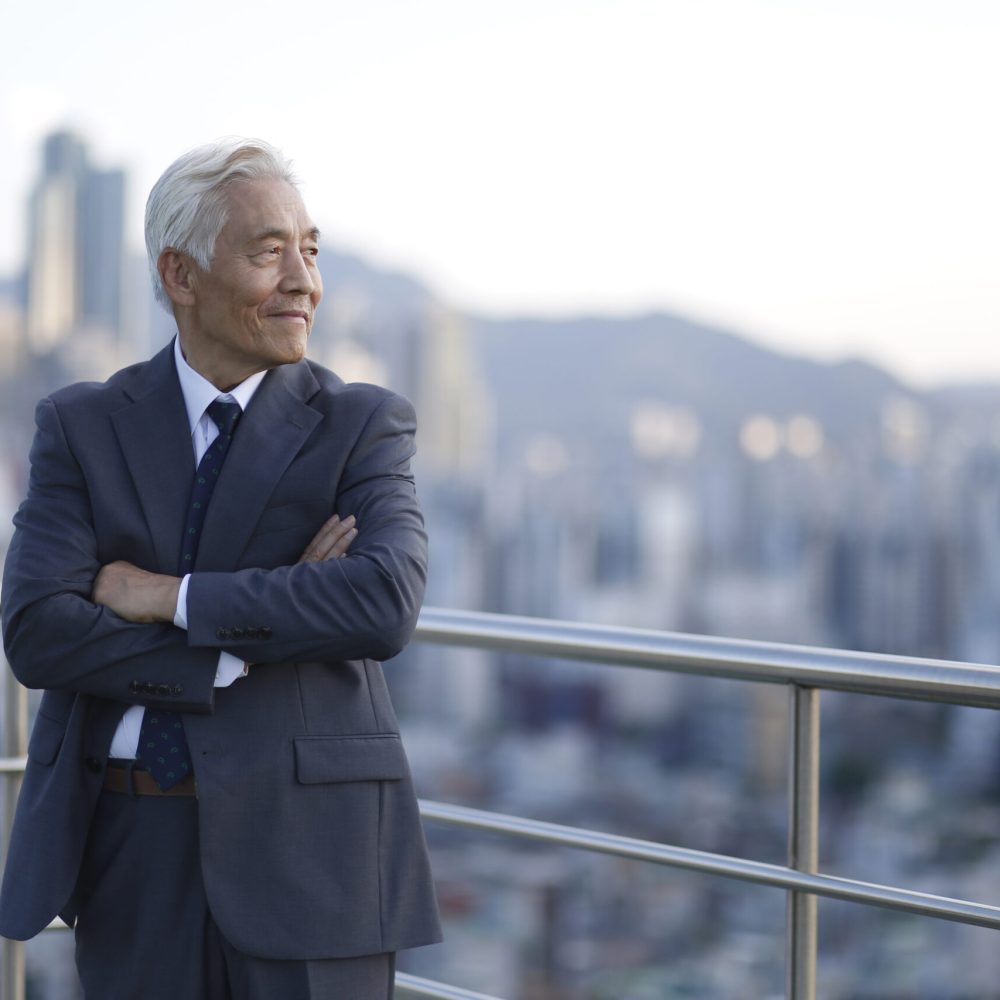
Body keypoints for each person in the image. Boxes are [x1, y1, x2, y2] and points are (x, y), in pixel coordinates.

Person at [0, 137, 441, 999]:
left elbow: (383, 602)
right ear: (181, 274)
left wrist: (164, 597)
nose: (304, 281)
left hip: (315, 857)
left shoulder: (361, 425)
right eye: (268, 251)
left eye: (309, 251)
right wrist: (249, 637)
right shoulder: (83, 426)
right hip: (129, 845)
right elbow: (37, 632)